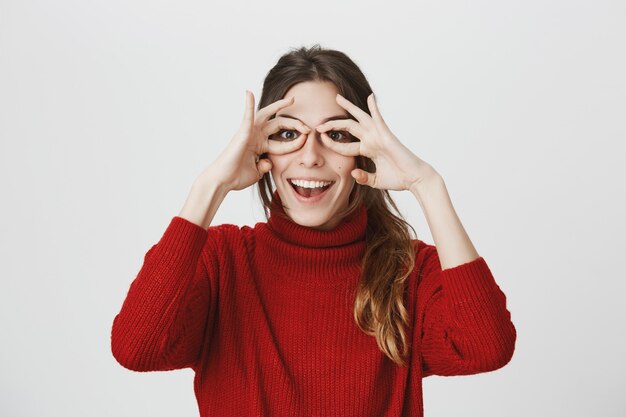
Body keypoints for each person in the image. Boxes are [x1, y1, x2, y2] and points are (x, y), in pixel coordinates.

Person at [110, 44, 516, 416]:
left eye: (337, 135)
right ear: (261, 146)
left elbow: (486, 348)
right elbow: (137, 348)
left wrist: (427, 184)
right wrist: (209, 187)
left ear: (366, 148)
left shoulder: (409, 271)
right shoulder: (223, 260)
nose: (310, 157)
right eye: (288, 134)